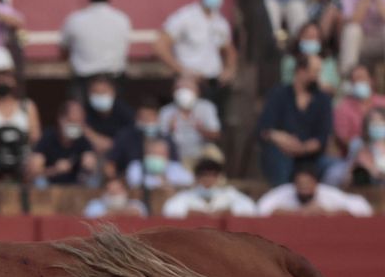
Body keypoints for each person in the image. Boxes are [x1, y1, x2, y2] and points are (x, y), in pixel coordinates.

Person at [158, 0, 236, 111]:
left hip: (213, 83)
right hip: (190, 83)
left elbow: (228, 49)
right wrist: (180, 70)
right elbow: (160, 45)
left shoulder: (220, 21)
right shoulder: (185, 17)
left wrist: (229, 70)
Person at [258, 53, 336, 183]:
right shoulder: (279, 95)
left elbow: (323, 136)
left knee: (334, 167)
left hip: (311, 157)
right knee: (277, 159)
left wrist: (303, 148)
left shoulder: (323, 100)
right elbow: (264, 128)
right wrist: (281, 138)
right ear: (301, 71)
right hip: (281, 154)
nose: (317, 77)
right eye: (315, 72)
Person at [61, 0, 132, 93]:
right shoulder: (122, 19)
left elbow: (64, 50)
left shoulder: (74, 20)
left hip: (85, 82)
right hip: (114, 80)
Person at [160, 146, 258, 216]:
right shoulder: (187, 196)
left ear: (217, 177)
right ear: (197, 177)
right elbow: (170, 211)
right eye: (204, 175)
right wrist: (196, 214)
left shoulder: (228, 194)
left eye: (212, 175)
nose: (208, 179)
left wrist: (225, 212)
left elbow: (249, 209)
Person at [0, 70, 38, 184]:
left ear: (14, 82)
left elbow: (35, 137)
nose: (3, 82)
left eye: (6, 78)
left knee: (35, 166)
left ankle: (28, 200)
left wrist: (31, 159)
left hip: (22, 157)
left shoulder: (27, 107)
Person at [27, 99, 97, 187]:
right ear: (61, 119)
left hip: (74, 185)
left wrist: (89, 168)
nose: (75, 126)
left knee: (93, 181)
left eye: (79, 122)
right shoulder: (47, 138)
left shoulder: (83, 140)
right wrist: (55, 170)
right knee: (39, 182)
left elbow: (92, 167)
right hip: (49, 185)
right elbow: (32, 173)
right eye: (72, 121)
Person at [257, 162, 373, 213]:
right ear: (294, 184)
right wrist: (298, 213)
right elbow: (261, 209)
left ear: (316, 183)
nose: (304, 187)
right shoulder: (284, 192)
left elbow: (362, 207)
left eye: (308, 184)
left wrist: (328, 214)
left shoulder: (327, 194)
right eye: (300, 184)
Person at [159, 73, 220, 165]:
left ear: (197, 91)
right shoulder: (166, 111)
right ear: (173, 92)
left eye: (188, 88)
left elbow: (216, 135)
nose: (184, 92)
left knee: (213, 153)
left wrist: (201, 130)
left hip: (200, 151)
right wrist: (170, 130)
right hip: (177, 154)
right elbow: (159, 140)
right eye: (180, 88)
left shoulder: (207, 107)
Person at [339, 0, 385, 70]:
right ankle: (347, 76)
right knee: (352, 30)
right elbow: (354, 21)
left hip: (380, 41)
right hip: (360, 43)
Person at [81, 74, 134, 156]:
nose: (100, 96)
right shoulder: (83, 112)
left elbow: (123, 143)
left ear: (113, 92)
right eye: (95, 92)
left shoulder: (125, 112)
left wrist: (96, 139)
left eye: (103, 92)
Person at [124, 135, 192, 190]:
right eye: (153, 153)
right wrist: (159, 181)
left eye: (160, 154)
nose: (157, 157)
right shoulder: (136, 166)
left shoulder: (175, 166)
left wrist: (166, 180)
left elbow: (189, 181)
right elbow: (135, 183)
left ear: (167, 155)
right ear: (146, 154)